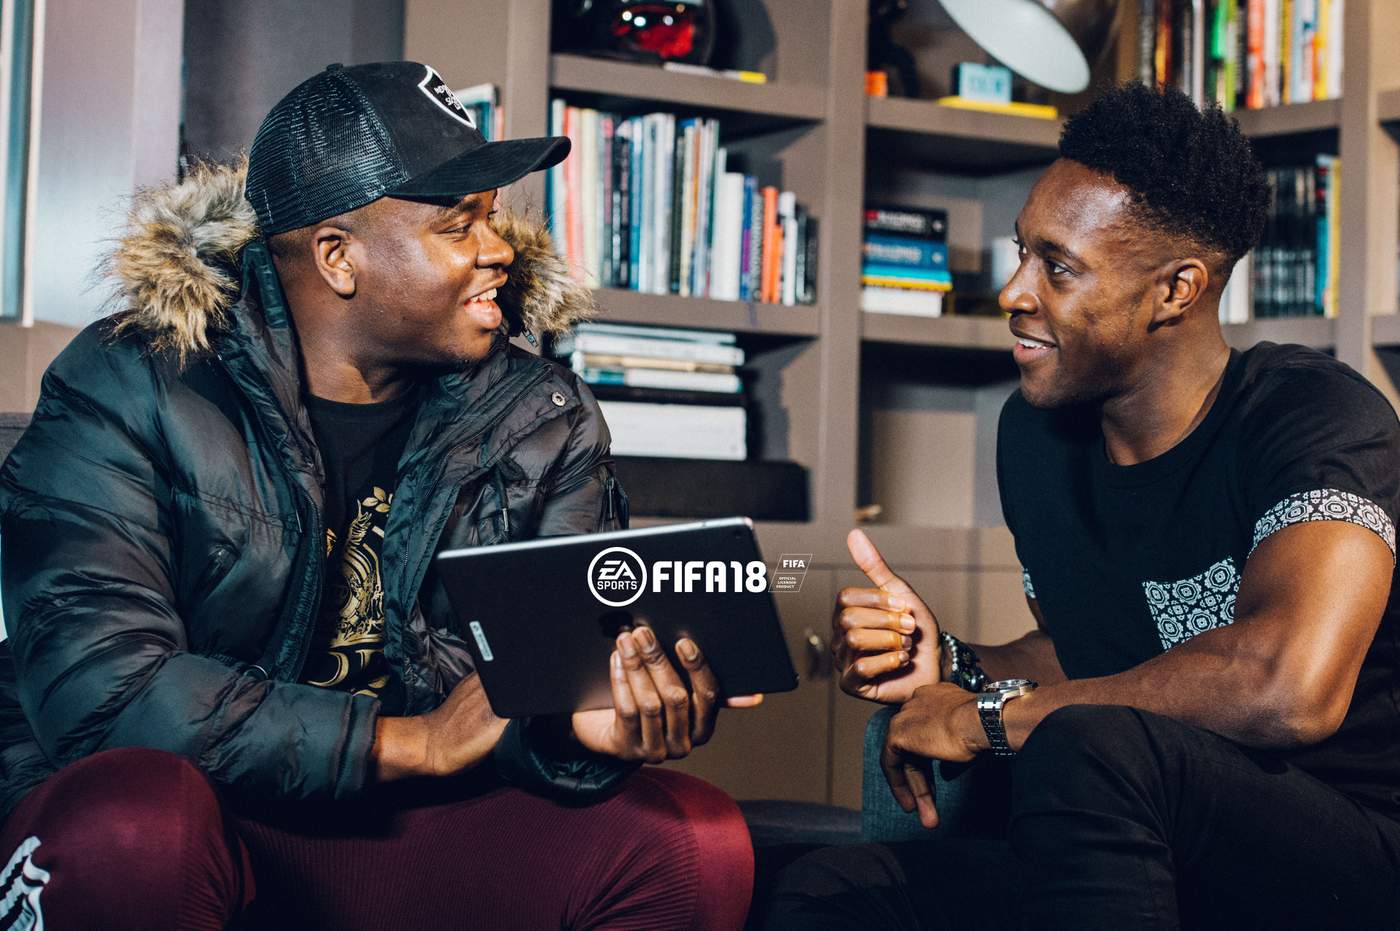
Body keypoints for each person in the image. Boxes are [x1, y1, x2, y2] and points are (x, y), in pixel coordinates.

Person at [0, 61, 756, 930]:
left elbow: (527, 680)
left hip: (391, 820)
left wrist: (579, 729)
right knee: (137, 827)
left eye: (493, 215)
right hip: (197, 812)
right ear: (338, 257)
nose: (499, 248)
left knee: (692, 843)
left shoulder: (542, 416)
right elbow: (106, 692)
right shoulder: (131, 381)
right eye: (458, 224)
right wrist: (410, 741)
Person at [762, 82, 1400, 928]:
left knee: (1088, 745)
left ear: (1176, 289)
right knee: (834, 891)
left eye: (1056, 267)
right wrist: (953, 662)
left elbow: (1287, 686)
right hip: (1133, 835)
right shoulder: (1036, 435)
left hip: (1347, 846)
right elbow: (1091, 651)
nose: (1013, 292)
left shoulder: (1314, 415)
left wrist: (987, 719)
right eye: (1022, 253)